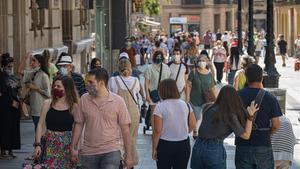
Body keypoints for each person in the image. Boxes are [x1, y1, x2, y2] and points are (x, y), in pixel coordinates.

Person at [70, 68, 133, 169]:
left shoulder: (118, 101)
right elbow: (79, 124)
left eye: (91, 82)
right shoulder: (84, 99)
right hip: (88, 152)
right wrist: (73, 147)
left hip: (111, 150)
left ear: (101, 83)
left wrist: (129, 155)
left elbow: (125, 130)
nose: (87, 85)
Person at [191, 85, 259, 169]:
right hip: (214, 148)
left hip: (198, 146)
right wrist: (250, 117)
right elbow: (246, 135)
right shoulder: (229, 115)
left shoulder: (207, 107)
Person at [235, 64, 282, 169]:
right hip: (263, 143)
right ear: (261, 78)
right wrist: (267, 133)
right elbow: (276, 125)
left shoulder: (237, 96)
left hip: (242, 144)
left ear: (246, 77)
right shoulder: (270, 98)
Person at [33, 75, 80, 168]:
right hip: (49, 143)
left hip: (67, 144)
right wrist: (37, 145)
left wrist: (75, 147)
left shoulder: (74, 107)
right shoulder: (48, 103)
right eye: (54, 86)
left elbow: (77, 127)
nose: (55, 88)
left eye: (58, 86)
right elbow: (40, 124)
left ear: (67, 88)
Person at [152, 79, 197, 169]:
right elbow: (193, 124)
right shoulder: (185, 105)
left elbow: (157, 130)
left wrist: (154, 148)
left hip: (165, 144)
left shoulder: (160, 106)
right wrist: (182, 131)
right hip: (183, 144)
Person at [108, 59, 140, 167]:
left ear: (118, 68)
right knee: (131, 139)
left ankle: (120, 162)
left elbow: (109, 95)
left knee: (118, 139)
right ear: (130, 68)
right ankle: (131, 163)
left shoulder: (113, 80)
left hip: (118, 113)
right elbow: (137, 93)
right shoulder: (136, 81)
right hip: (133, 112)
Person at [186, 54, 217, 139]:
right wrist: (187, 96)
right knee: (197, 116)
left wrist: (216, 98)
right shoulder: (194, 72)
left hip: (207, 99)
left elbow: (213, 87)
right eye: (200, 60)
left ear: (206, 62)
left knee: (204, 116)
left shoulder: (209, 74)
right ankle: (195, 130)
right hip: (195, 98)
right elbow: (188, 84)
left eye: (203, 61)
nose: (201, 62)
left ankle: (200, 131)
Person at [18, 52, 51, 130]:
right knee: (37, 130)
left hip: (40, 109)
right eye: (31, 60)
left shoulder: (43, 75)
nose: (31, 63)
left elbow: (48, 94)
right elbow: (19, 71)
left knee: (40, 130)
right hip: (34, 108)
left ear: (39, 63)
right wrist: (25, 58)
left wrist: (36, 88)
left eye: (34, 61)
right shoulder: (33, 73)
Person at [0, 53, 21, 159]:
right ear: (3, 66)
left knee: (13, 128)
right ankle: (3, 150)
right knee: (5, 128)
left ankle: (11, 149)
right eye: (8, 67)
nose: (10, 69)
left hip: (14, 106)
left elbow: (17, 88)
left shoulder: (12, 76)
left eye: (11, 67)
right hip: (4, 106)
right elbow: (3, 91)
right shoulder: (1, 76)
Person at [144, 50, 171, 116]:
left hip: (164, 94)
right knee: (154, 113)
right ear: (154, 57)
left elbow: (168, 81)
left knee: (164, 113)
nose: (158, 58)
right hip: (153, 94)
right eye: (157, 56)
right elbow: (146, 83)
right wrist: (147, 95)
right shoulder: (149, 68)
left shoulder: (166, 68)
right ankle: (154, 126)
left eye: (160, 56)